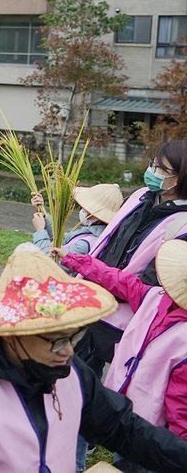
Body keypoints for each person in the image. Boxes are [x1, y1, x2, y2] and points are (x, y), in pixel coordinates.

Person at [0, 250, 187, 473]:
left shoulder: (68, 372)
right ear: (11, 334)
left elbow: (122, 428)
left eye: (73, 337)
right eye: (55, 340)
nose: (67, 351)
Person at [63, 239, 187, 466]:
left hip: (150, 429)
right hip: (120, 406)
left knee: (134, 462)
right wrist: (76, 260)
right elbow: (118, 279)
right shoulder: (154, 297)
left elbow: (181, 408)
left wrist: (177, 455)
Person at [77, 142, 187, 377]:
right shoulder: (140, 197)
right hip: (92, 297)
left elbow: (154, 282)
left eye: (162, 169)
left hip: (125, 316)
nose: (153, 172)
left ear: (180, 178)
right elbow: (110, 239)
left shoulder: (182, 225)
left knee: (104, 379)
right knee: (75, 370)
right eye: (153, 165)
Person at [29, 183, 124, 256]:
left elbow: (50, 262)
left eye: (84, 208)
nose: (82, 210)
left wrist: (40, 230)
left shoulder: (86, 244)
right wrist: (43, 214)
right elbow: (61, 240)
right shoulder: (91, 232)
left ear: (93, 214)